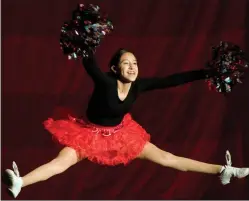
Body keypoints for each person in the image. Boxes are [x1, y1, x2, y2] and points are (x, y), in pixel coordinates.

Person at [3, 49, 249, 198]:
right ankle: (20, 182)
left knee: (168, 158)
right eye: (126, 63)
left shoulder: (138, 85)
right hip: (88, 134)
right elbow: (90, 65)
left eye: (135, 63)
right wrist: (87, 43)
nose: (132, 67)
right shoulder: (106, 83)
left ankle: (224, 171)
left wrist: (208, 72)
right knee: (60, 163)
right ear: (114, 68)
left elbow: (172, 80)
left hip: (122, 135)